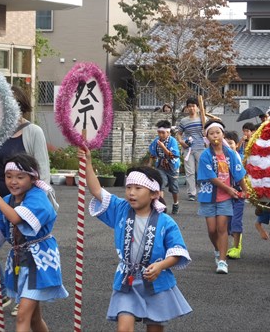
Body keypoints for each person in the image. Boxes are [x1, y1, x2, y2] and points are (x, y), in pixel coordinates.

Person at [79, 147, 192, 331]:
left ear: (154, 193)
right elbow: (97, 191)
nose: (131, 192)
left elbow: (177, 251)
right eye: (129, 187)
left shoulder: (165, 222)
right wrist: (88, 161)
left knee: (154, 328)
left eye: (138, 188)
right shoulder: (121, 209)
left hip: (156, 280)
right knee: (124, 328)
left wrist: (160, 266)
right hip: (127, 279)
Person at [0, 85, 51, 317]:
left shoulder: (33, 131)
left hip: (25, 202)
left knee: (23, 251)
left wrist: (37, 202)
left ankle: (24, 296)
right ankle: (1, 294)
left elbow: (42, 170)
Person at [0, 153, 68, 331]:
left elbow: (16, 218)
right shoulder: (7, 201)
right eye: (9, 177)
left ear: (32, 178)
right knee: (33, 319)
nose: (13, 181)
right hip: (19, 260)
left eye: (20, 177)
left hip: (39, 261)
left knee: (22, 316)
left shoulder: (38, 197)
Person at [197, 120, 247, 274]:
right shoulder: (205, 155)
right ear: (207, 137)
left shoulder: (231, 154)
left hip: (225, 197)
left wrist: (245, 190)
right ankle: (218, 250)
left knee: (222, 228)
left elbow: (239, 173)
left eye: (217, 132)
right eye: (211, 133)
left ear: (223, 134)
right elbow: (211, 177)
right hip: (209, 197)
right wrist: (230, 189)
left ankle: (223, 261)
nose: (215, 136)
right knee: (212, 230)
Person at [149, 120, 181, 215]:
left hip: (172, 166)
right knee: (161, 184)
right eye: (159, 132)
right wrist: (149, 165)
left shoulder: (173, 141)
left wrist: (163, 147)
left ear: (168, 132)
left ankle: (176, 204)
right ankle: (161, 205)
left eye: (163, 133)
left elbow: (173, 156)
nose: (161, 135)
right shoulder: (156, 141)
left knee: (174, 188)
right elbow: (152, 154)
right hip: (161, 165)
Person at [176, 97, 205, 201]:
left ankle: (203, 191)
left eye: (193, 106)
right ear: (187, 108)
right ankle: (191, 193)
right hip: (188, 149)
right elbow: (179, 134)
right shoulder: (184, 121)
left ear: (197, 107)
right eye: (189, 106)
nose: (191, 108)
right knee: (190, 172)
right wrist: (181, 142)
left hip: (201, 148)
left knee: (201, 171)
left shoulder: (203, 119)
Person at [224, 131, 245, 259]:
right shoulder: (223, 158)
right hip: (226, 195)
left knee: (236, 221)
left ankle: (237, 247)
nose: (229, 146)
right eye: (226, 144)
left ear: (237, 145)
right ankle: (232, 245)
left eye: (231, 143)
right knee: (227, 223)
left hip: (239, 195)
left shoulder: (239, 157)